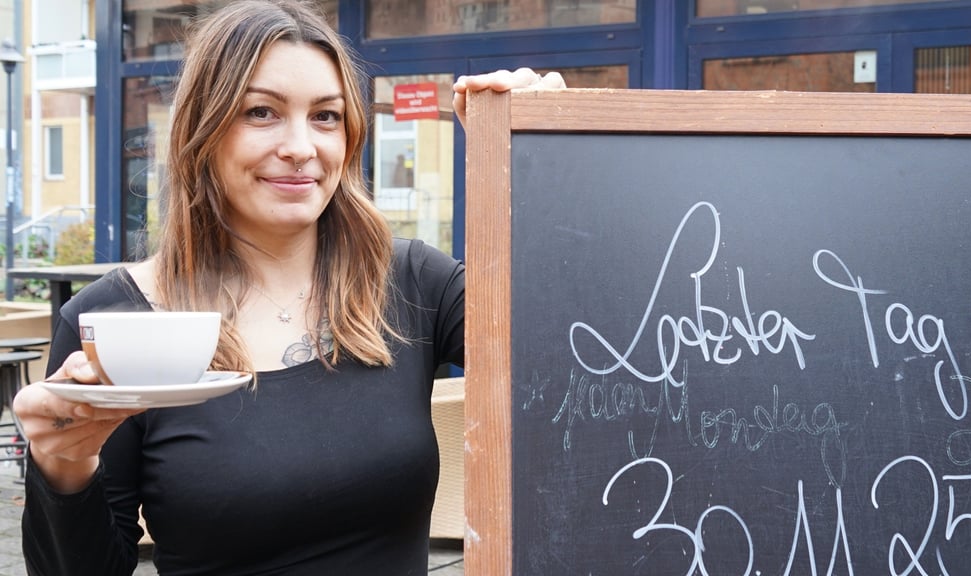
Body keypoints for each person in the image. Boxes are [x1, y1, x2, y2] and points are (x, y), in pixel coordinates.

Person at [12, 1, 564, 574]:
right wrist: (63, 466)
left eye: (326, 116)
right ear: (202, 131)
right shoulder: (113, 322)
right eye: (261, 112)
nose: (302, 147)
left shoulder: (414, 283)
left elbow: (581, 347)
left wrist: (541, 153)